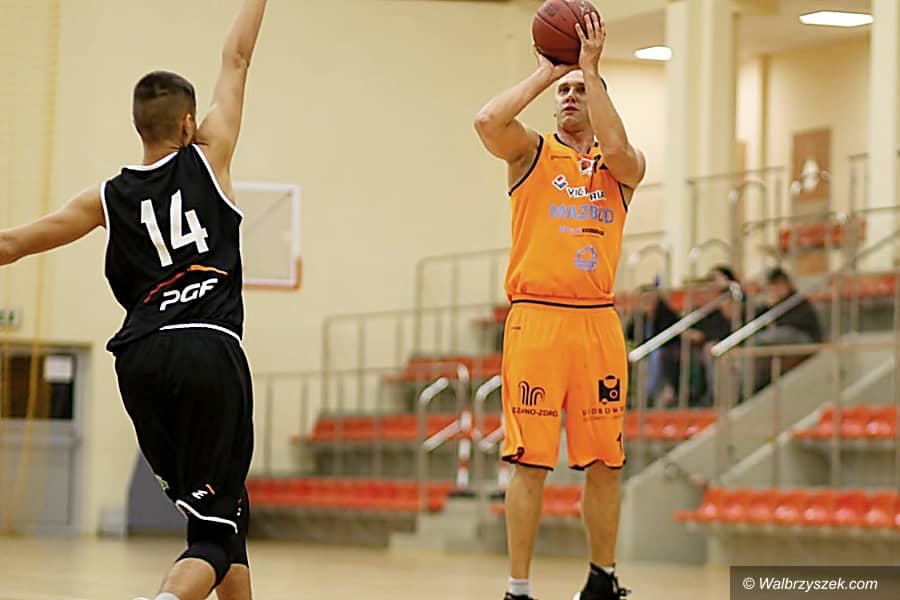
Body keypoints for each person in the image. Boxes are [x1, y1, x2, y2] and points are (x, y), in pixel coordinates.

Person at [0, 2, 267, 599]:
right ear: (188, 124)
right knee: (212, 538)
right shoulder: (210, 155)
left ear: (137, 126)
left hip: (141, 360)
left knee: (225, 517)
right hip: (206, 347)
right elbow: (237, 57)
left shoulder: (106, 198)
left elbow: (10, 245)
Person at [475, 12, 644, 600]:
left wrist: (589, 69)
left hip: (597, 323)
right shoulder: (531, 153)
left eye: (580, 91)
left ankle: (603, 578)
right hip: (537, 320)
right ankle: (518, 588)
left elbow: (617, 146)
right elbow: (487, 121)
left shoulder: (623, 167)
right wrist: (547, 73)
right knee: (529, 462)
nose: (570, 97)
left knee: (606, 462)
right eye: (563, 93)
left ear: (599, 101)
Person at [625, 284, 680, 408]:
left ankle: (649, 394)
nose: (646, 302)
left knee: (656, 355)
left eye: (649, 298)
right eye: (643, 299)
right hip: (643, 351)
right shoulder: (639, 317)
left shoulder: (666, 314)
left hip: (664, 349)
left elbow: (669, 337)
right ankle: (628, 394)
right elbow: (629, 335)